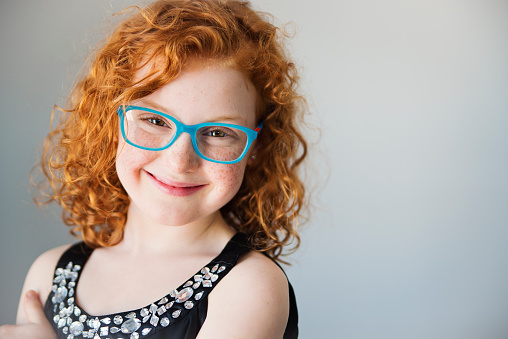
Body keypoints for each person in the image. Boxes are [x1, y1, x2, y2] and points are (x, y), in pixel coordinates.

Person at [0, 0, 307, 338]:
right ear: (112, 121)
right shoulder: (48, 273)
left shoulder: (250, 286)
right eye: (155, 120)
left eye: (218, 132)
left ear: (256, 148)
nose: (180, 161)